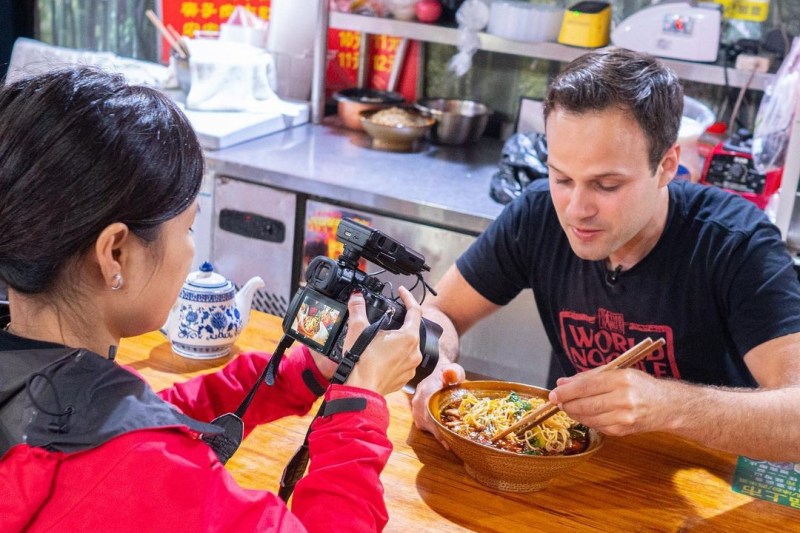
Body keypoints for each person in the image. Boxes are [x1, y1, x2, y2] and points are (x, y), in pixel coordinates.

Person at [0, 67, 423, 531]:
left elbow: (143, 418)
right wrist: (358, 406)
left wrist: (297, 374)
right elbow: (141, 453)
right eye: (186, 228)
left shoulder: (42, 377)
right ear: (115, 253)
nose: (190, 251)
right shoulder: (146, 473)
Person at [412, 48, 800, 463]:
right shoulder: (539, 214)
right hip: (580, 468)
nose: (577, 209)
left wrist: (671, 405)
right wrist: (436, 365)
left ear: (667, 165)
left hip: (710, 480)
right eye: (561, 177)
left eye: (607, 185)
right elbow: (442, 314)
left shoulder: (732, 242)